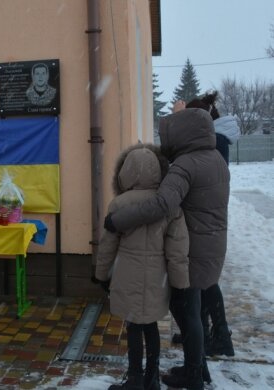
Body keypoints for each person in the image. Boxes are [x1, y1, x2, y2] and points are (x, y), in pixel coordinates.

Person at [104, 106, 230, 389]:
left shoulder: (187, 164)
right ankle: (197, 371)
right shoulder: (215, 159)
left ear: (183, 133)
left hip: (191, 248)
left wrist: (118, 221)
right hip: (211, 245)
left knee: (187, 313)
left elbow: (162, 204)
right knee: (193, 312)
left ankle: (194, 375)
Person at [95, 144, 190, 390]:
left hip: (128, 274)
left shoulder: (119, 205)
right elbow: (178, 250)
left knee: (134, 326)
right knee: (151, 326)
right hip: (158, 275)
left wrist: (101, 274)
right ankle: (152, 378)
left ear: (126, 171)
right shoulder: (169, 206)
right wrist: (180, 283)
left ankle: (134, 378)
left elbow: (107, 245)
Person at [168, 92, 237, 357]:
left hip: (204, 224)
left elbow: (197, 173)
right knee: (205, 284)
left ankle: (213, 336)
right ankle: (209, 334)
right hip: (208, 223)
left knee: (204, 284)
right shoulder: (216, 138)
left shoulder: (215, 141)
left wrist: (177, 119)